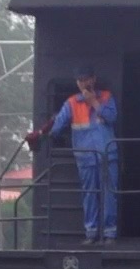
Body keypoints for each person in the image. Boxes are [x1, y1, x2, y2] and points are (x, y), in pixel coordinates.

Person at [28, 64, 118, 244]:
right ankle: (91, 233)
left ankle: (110, 234)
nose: (83, 83)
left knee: (109, 194)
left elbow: (112, 117)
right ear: (77, 83)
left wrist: (94, 103)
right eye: (80, 80)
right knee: (89, 194)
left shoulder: (106, 97)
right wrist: (39, 134)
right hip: (85, 158)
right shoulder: (71, 104)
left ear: (93, 79)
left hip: (108, 156)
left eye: (86, 79)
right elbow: (57, 126)